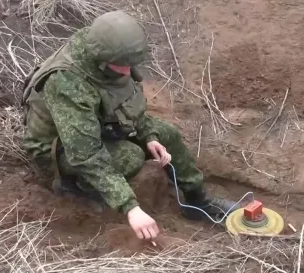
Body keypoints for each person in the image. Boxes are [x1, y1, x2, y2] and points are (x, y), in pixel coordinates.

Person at [20, 10, 237, 242]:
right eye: (122, 67)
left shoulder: (111, 52)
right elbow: (85, 155)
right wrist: (130, 207)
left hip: (97, 123)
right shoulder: (67, 83)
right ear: (102, 60)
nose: (128, 71)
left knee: (167, 135)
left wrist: (149, 135)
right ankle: (76, 187)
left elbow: (128, 99)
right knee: (129, 156)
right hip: (58, 147)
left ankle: (197, 201)